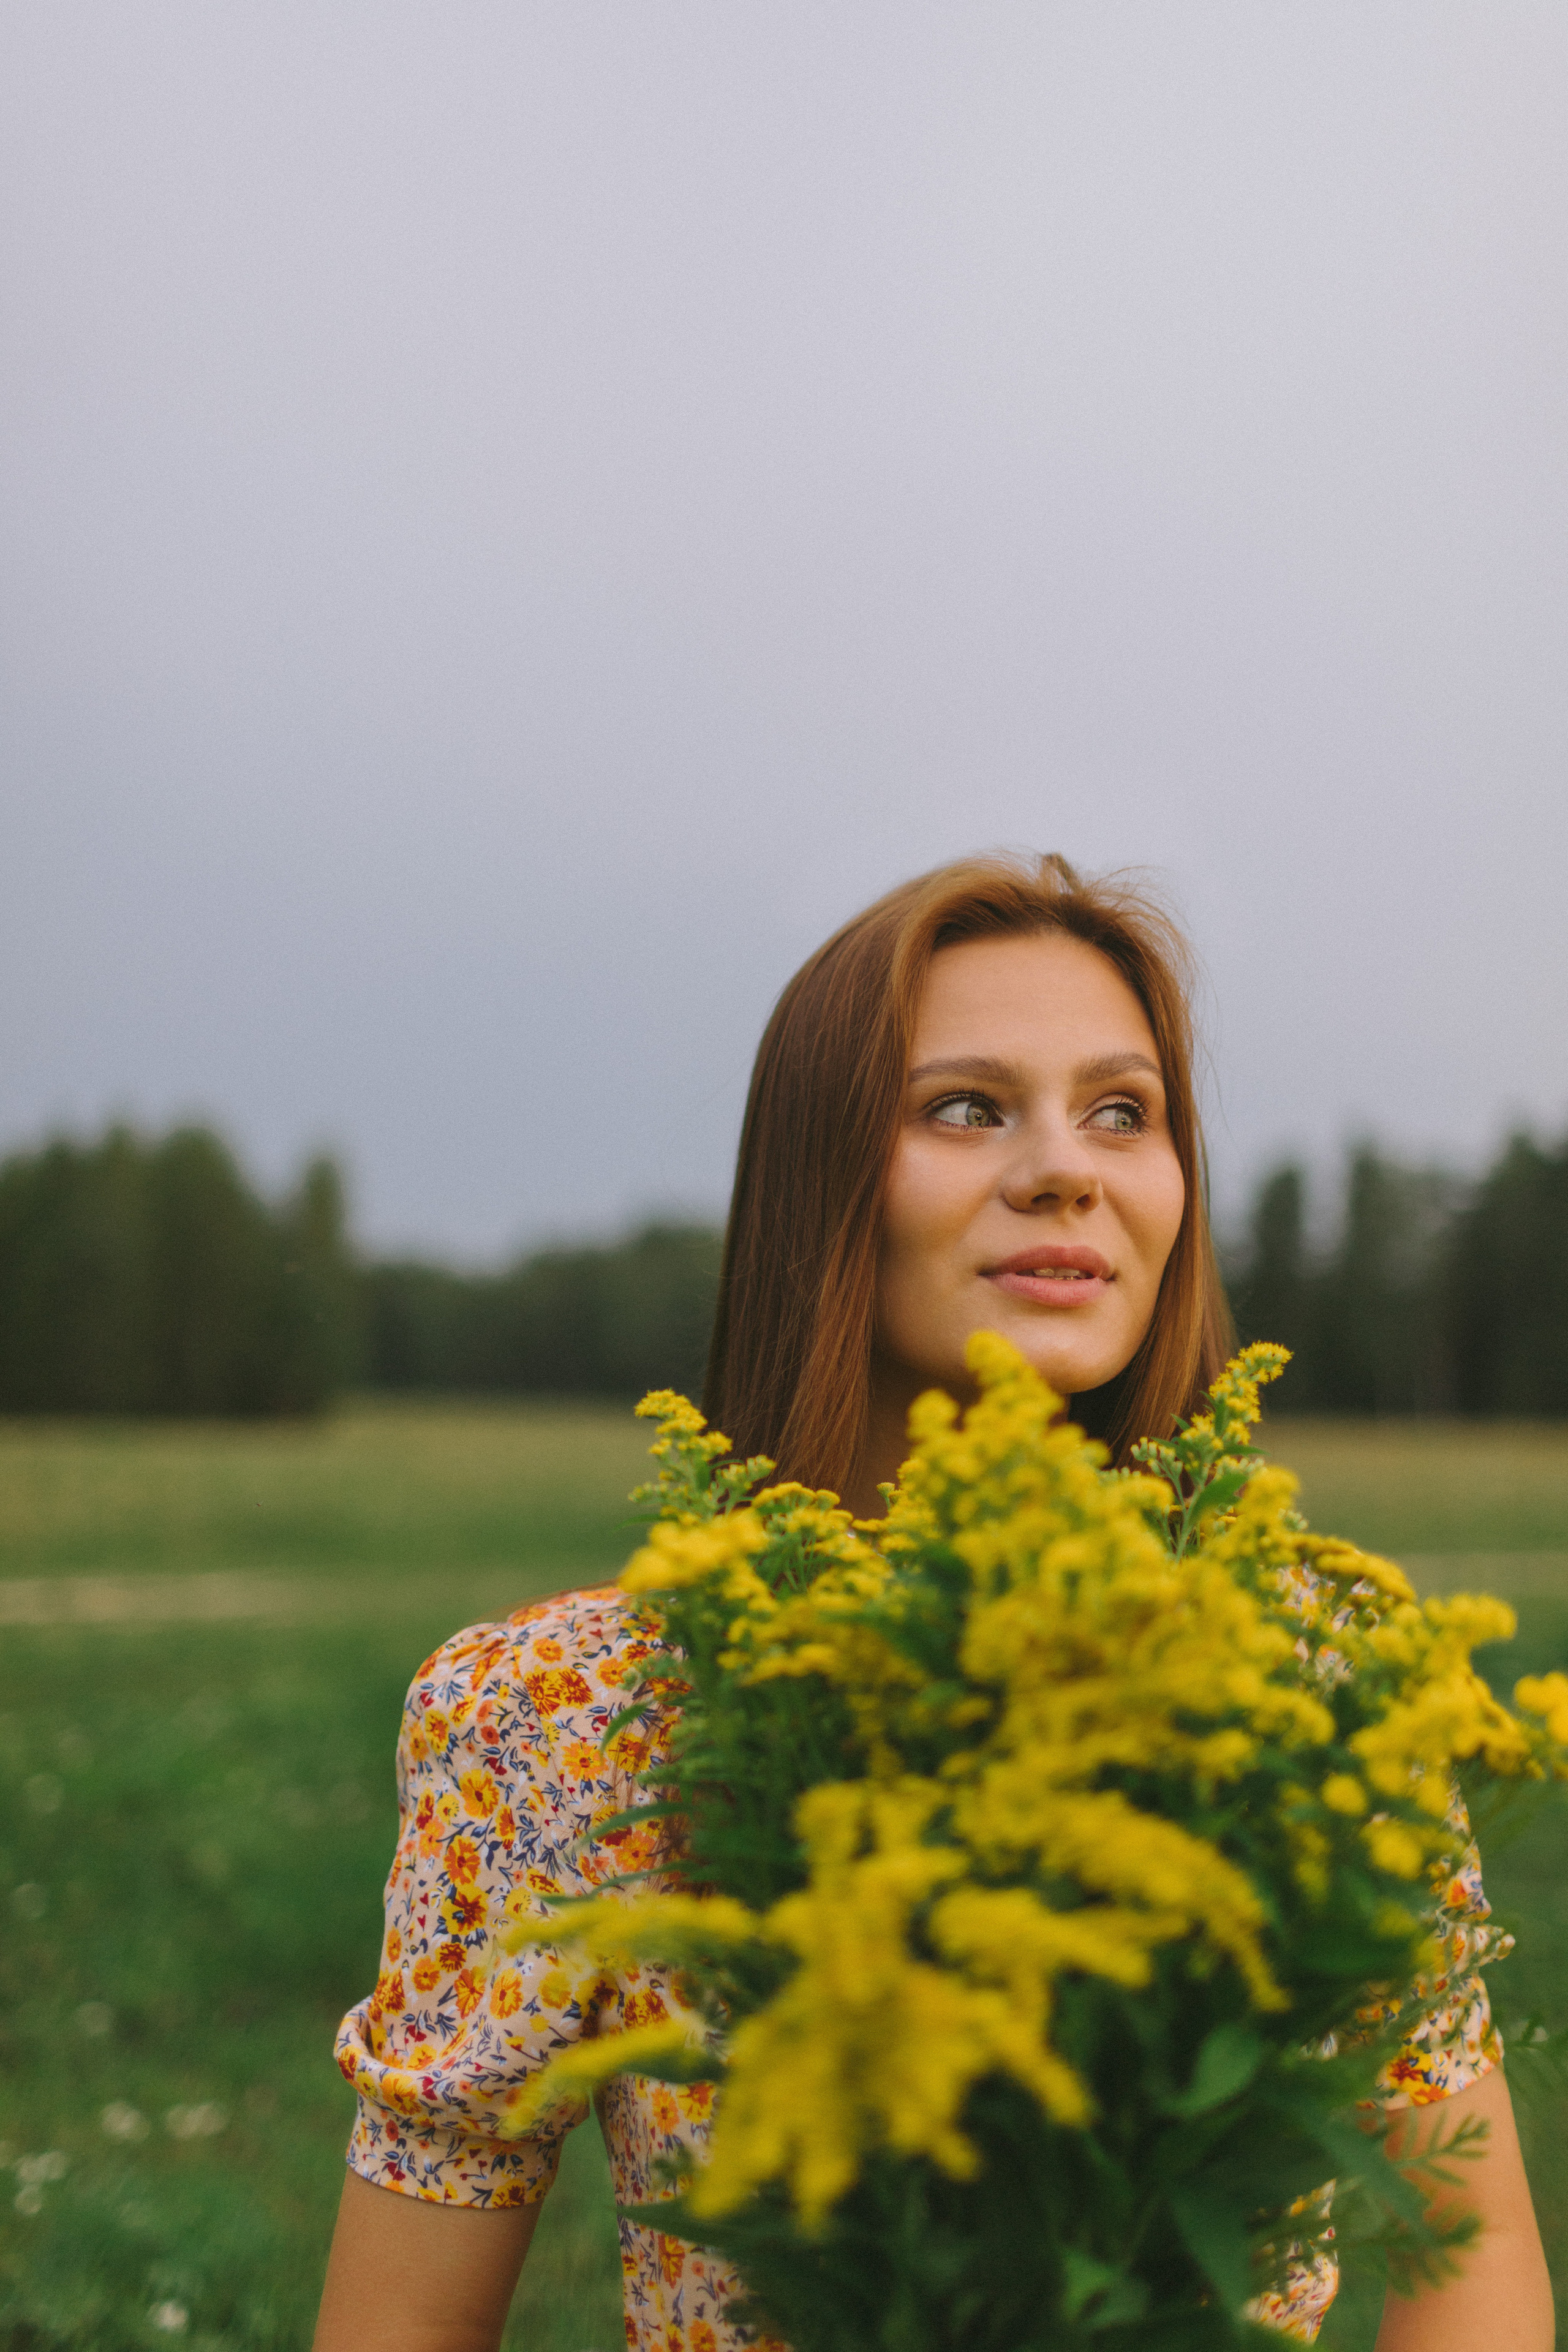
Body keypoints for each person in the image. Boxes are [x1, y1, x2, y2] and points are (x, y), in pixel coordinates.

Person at [313, 853, 1552, 2352]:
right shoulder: (558, 1714)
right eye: (964, 1107)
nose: (1064, 1167)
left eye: (1123, 1110)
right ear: (822, 1182)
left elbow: (1459, 2232)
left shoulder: (1319, 1671)